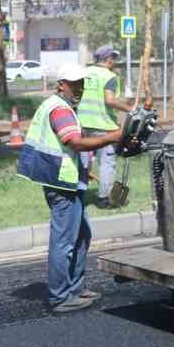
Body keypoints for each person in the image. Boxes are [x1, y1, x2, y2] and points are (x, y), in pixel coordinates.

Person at [16, 62, 123, 312]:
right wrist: (111, 137)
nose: (80, 88)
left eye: (82, 84)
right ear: (61, 84)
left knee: (81, 235)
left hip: (70, 180)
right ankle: (61, 297)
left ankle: (75, 288)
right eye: (75, 84)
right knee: (64, 241)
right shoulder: (60, 109)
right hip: (61, 183)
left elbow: (68, 148)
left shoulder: (62, 106)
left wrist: (85, 168)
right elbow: (74, 142)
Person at [78, 46, 137, 207]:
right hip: (102, 126)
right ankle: (104, 199)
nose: (115, 61)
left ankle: (78, 194)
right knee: (107, 162)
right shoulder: (109, 76)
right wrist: (130, 109)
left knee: (84, 160)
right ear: (108, 59)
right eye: (114, 58)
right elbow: (109, 100)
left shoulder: (84, 73)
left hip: (82, 123)